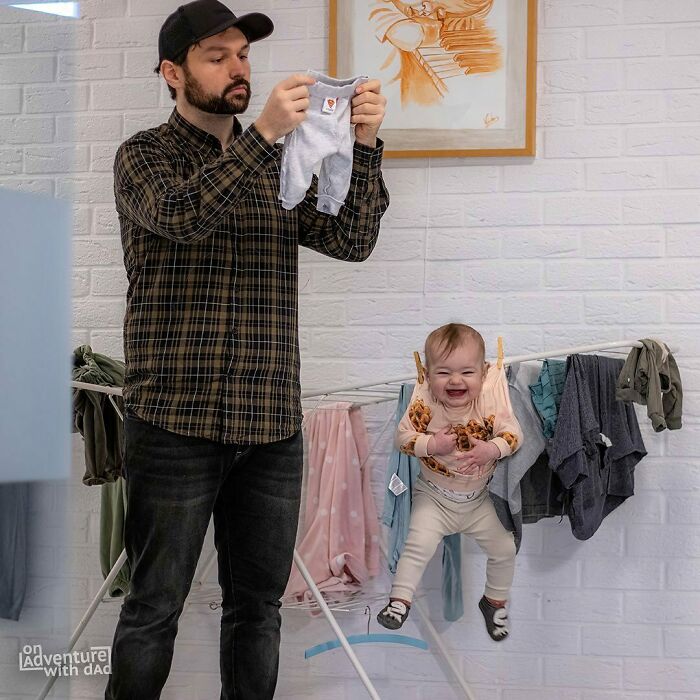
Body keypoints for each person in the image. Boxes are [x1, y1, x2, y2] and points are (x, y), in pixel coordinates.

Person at [105, 1, 389, 698]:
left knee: (256, 612)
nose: (238, 68)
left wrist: (369, 145)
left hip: (270, 426)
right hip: (173, 424)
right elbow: (182, 216)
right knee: (153, 610)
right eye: (216, 56)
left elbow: (350, 242)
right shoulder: (144, 156)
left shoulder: (280, 161)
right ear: (172, 73)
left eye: (242, 53)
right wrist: (262, 136)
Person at [377, 323, 522, 641]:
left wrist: (490, 448)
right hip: (434, 498)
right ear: (428, 376)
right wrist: (431, 445)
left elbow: (514, 436)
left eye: (466, 372)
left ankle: (493, 601)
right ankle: (399, 601)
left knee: (505, 548)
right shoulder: (425, 405)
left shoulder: (488, 403)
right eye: (443, 373)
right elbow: (403, 438)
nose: (455, 381)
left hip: (478, 501)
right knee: (417, 546)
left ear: (483, 375)